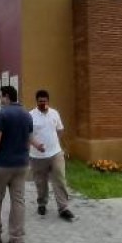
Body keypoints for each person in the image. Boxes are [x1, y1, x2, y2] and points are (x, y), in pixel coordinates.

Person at [0, 85, 45, 243]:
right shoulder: (27, 114)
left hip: (2, 166)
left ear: (7, 97)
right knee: (18, 200)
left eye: (1, 96)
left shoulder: (2, 114)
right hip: (22, 166)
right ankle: (17, 240)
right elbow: (29, 138)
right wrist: (37, 147)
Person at [29, 90, 74, 221]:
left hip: (55, 154)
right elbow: (27, 134)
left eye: (45, 101)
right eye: (40, 101)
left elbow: (60, 130)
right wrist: (37, 145)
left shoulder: (54, 113)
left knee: (60, 180)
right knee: (41, 183)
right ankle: (42, 204)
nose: (43, 103)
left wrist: (53, 142)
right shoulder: (30, 116)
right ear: (36, 101)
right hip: (37, 156)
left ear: (48, 101)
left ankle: (63, 208)